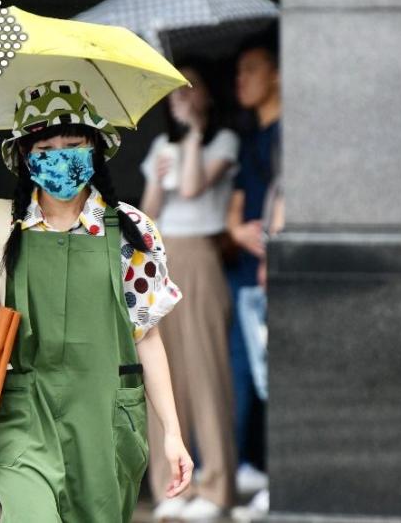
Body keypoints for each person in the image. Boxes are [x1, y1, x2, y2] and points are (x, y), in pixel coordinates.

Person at [0, 80, 193, 522]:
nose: (61, 157)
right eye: (46, 147)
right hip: (23, 412)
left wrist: (172, 432)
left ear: (94, 148)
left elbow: (147, 339)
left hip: (106, 418)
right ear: (24, 157)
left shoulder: (132, 230)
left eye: (73, 144)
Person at [139, 63, 239, 521]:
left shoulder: (222, 141)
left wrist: (195, 133)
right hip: (161, 258)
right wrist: (160, 178)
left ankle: (216, 489)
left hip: (200, 256)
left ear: (207, 95)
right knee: (164, 376)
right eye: (174, 89)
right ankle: (169, 489)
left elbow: (196, 187)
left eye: (189, 86)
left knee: (206, 373)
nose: (180, 95)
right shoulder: (162, 146)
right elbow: (146, 214)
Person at [226, 29, 281, 517]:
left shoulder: (290, 136)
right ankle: (251, 468)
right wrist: (244, 232)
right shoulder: (250, 139)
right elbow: (233, 215)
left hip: (276, 276)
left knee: (273, 378)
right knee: (248, 376)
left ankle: (274, 476)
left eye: (252, 70)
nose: (240, 80)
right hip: (248, 274)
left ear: (278, 75)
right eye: (238, 71)